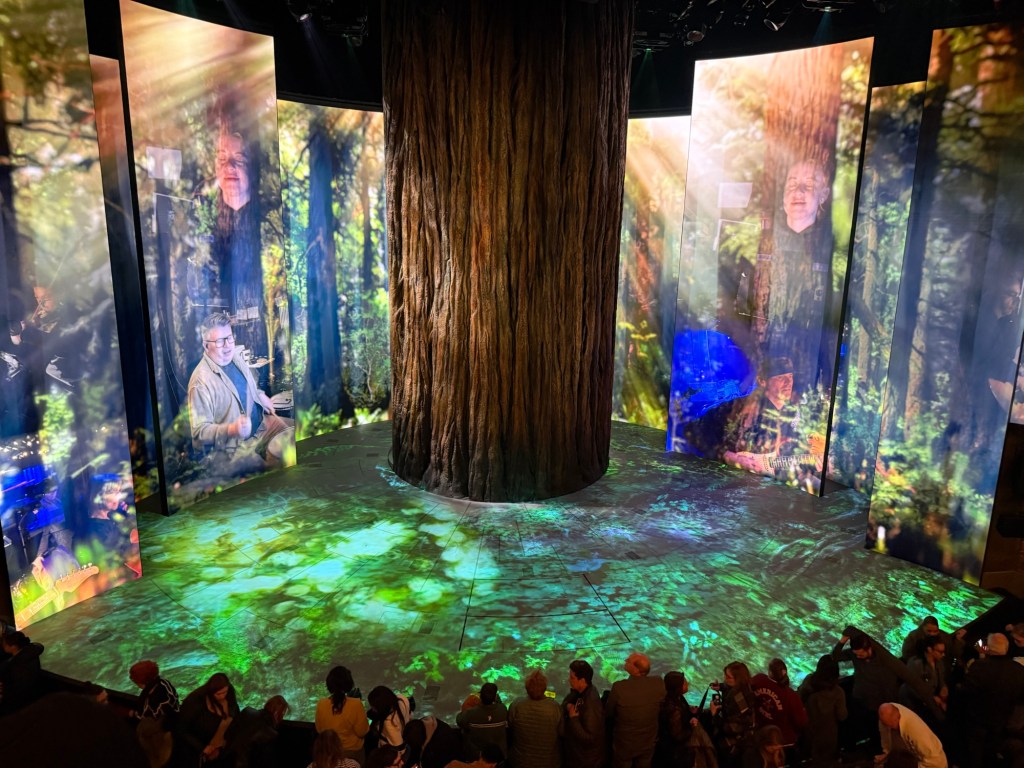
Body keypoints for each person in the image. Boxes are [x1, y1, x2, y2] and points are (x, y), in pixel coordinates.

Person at [187, 312, 293, 465]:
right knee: (278, 466)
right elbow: (199, 435)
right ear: (206, 345)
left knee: (299, 431)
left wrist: (260, 395)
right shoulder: (200, 383)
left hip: (263, 426)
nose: (227, 345)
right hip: (236, 448)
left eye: (229, 338)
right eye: (220, 341)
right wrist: (232, 429)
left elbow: (248, 385)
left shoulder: (234, 357)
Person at [721, 357, 824, 490]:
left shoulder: (793, 412)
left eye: (790, 377)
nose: (788, 383)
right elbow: (714, 441)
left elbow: (790, 453)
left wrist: (813, 461)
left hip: (782, 474)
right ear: (763, 381)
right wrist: (734, 459)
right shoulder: (747, 409)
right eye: (781, 378)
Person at [606, 652, 666, 768]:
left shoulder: (619, 687)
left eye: (628, 661)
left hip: (625, 745)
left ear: (636, 669)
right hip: (648, 742)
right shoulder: (658, 682)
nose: (625, 660)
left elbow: (609, 713)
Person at [175, 672, 240, 767]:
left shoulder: (229, 695)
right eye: (218, 694)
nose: (222, 696)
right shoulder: (195, 701)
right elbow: (181, 729)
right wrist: (202, 748)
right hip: (199, 750)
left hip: (223, 748)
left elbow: (236, 717)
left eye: (224, 692)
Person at [797, 655, 847, 767]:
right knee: (826, 761)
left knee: (813, 759)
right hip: (828, 735)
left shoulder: (808, 681)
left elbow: (799, 697)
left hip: (809, 731)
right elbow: (842, 716)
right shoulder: (838, 692)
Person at [750, 657, 807, 753]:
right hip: (781, 742)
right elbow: (801, 722)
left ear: (770, 672)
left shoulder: (758, 679)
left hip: (759, 734)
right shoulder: (791, 695)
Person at [315, 666, 370, 765]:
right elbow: (363, 731)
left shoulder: (321, 704)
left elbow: (320, 730)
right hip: (353, 754)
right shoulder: (356, 704)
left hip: (329, 753)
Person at [507, 669, 561, 767]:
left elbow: (510, 728)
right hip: (548, 762)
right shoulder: (555, 707)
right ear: (544, 687)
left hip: (520, 762)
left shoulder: (516, 705)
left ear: (527, 686)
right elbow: (562, 733)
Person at [710, 661, 757, 767]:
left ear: (738, 679)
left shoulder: (738, 699)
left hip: (735, 745)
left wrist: (715, 714)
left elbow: (732, 728)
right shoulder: (745, 687)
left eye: (728, 677)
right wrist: (721, 687)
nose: (725, 679)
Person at [225, 694, 289, 768]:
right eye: (282, 714)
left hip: (225, 759)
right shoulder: (270, 734)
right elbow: (264, 762)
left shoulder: (247, 711)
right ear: (277, 713)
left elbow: (228, 734)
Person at [876, 702, 947, 768]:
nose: (890, 728)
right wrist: (886, 753)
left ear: (898, 717)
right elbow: (885, 733)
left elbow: (934, 760)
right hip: (916, 757)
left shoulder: (916, 731)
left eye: (892, 725)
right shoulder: (885, 717)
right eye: (887, 725)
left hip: (935, 763)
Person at [563, 659, 605, 768]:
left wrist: (573, 719)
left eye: (572, 677)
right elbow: (565, 702)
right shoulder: (580, 691)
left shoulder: (591, 703)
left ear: (582, 680)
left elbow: (590, 738)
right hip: (577, 756)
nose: (569, 680)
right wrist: (568, 706)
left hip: (585, 761)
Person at [653, 670, 697, 768]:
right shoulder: (674, 709)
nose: (687, 684)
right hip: (673, 754)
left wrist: (690, 712)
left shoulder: (677, 698)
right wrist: (692, 726)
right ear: (677, 687)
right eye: (684, 683)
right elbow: (678, 736)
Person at [456, 682, 508, 760]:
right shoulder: (503, 709)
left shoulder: (471, 713)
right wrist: (497, 699)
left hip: (477, 756)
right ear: (495, 697)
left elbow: (459, 720)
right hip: (499, 756)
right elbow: (500, 705)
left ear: (480, 696)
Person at [0, 629, 44, 716]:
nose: (3, 646)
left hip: (19, 705)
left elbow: (18, 689)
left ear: (13, 647)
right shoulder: (30, 653)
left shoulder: (18, 665)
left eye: (5, 645)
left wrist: (3, 693)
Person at [367, 685, 412, 761]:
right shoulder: (402, 699)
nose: (373, 709)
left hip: (390, 755)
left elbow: (399, 747)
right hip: (405, 737)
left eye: (374, 707)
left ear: (381, 707)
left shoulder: (388, 723)